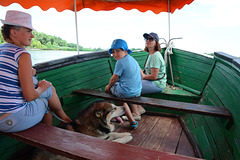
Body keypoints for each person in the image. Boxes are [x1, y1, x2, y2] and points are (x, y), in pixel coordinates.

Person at [0, 10, 71, 133]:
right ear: (14, 32)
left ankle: (60, 124)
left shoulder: (2, 49)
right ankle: (62, 123)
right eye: (28, 31)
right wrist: (42, 88)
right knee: (46, 95)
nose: (32, 35)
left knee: (46, 94)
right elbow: (30, 96)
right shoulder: (23, 55)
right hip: (11, 120)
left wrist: (29, 72)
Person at [105, 39, 142, 128]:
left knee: (116, 96)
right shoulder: (132, 59)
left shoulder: (120, 62)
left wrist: (108, 87)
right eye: (113, 52)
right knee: (123, 88)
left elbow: (113, 79)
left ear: (125, 51)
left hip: (126, 92)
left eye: (118, 51)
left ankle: (130, 120)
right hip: (137, 91)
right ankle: (135, 111)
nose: (115, 54)